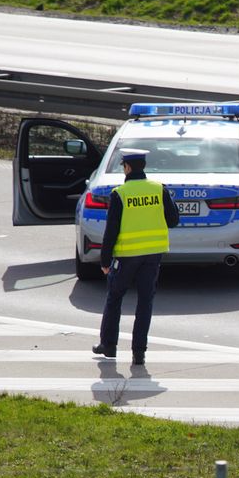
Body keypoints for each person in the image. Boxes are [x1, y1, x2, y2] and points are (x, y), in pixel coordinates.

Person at [91, 147, 179, 366]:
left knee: (115, 298)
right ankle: (139, 353)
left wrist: (104, 260)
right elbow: (174, 220)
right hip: (152, 255)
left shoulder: (120, 194)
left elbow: (111, 231)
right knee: (145, 302)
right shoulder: (159, 189)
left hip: (126, 255)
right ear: (144, 167)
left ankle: (109, 346)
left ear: (127, 167)